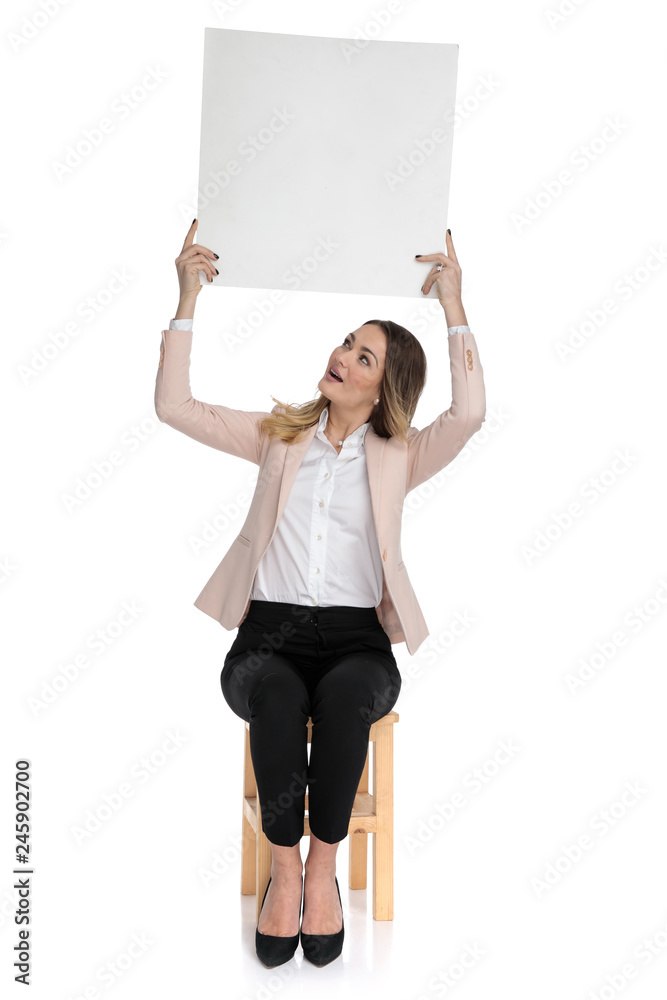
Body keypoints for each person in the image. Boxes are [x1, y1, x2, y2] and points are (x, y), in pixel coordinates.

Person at [154, 220, 486, 968]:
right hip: (266, 637)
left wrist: (454, 305)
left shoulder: (400, 455)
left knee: (343, 700)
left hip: (357, 642)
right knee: (275, 694)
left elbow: (468, 415)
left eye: (362, 355)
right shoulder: (279, 434)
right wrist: (187, 299)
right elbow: (175, 408)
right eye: (346, 341)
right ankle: (282, 871)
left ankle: (322, 871)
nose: (340, 355)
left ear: (383, 383)